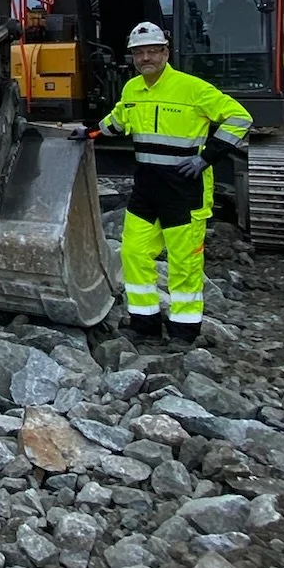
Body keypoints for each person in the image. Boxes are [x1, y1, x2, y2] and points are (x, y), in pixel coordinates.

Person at [95, 19, 252, 345]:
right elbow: (118, 120)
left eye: (153, 51)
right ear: (133, 57)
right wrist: (85, 134)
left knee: (184, 265)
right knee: (134, 254)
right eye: (140, 53)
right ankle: (144, 325)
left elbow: (240, 118)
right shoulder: (132, 89)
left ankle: (183, 332)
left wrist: (207, 157)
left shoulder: (192, 89)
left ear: (166, 53)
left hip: (185, 192)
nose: (146, 58)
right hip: (147, 189)